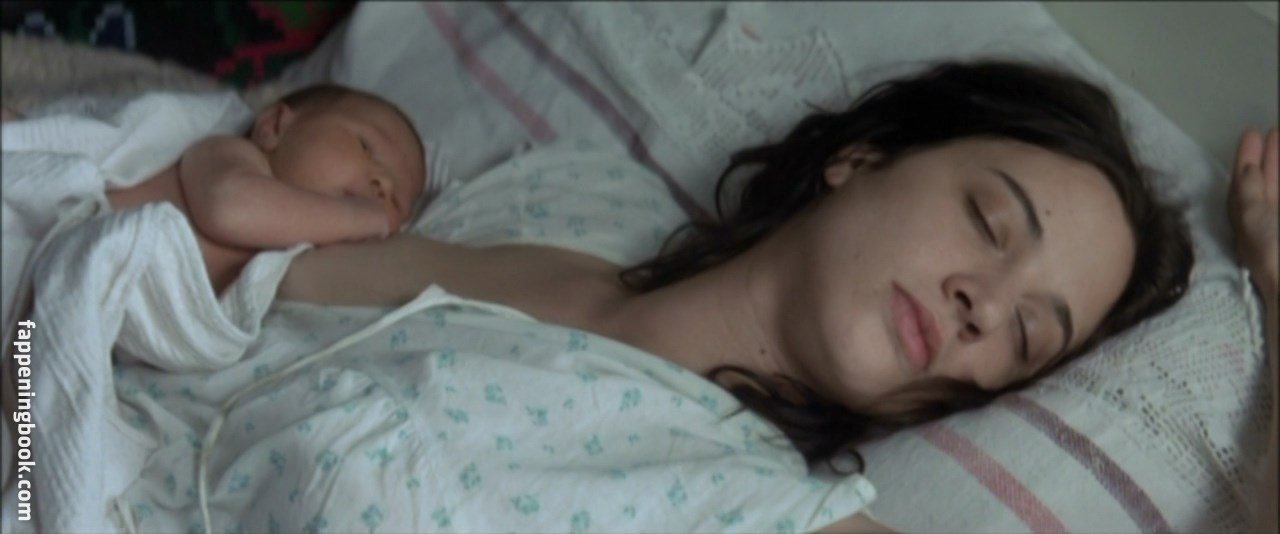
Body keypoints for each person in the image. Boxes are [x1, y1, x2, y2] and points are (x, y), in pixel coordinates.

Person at [271, 58, 1212, 531]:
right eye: (988, 221)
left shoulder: (751, 508)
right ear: (863, 158)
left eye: (1026, 335)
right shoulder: (580, 192)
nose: (985, 305)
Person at [104, 84, 427, 294]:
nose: (384, 184)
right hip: (100, 249)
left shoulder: (299, 252)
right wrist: (358, 217)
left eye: (397, 200)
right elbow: (227, 209)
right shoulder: (229, 154)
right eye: (365, 147)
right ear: (274, 127)